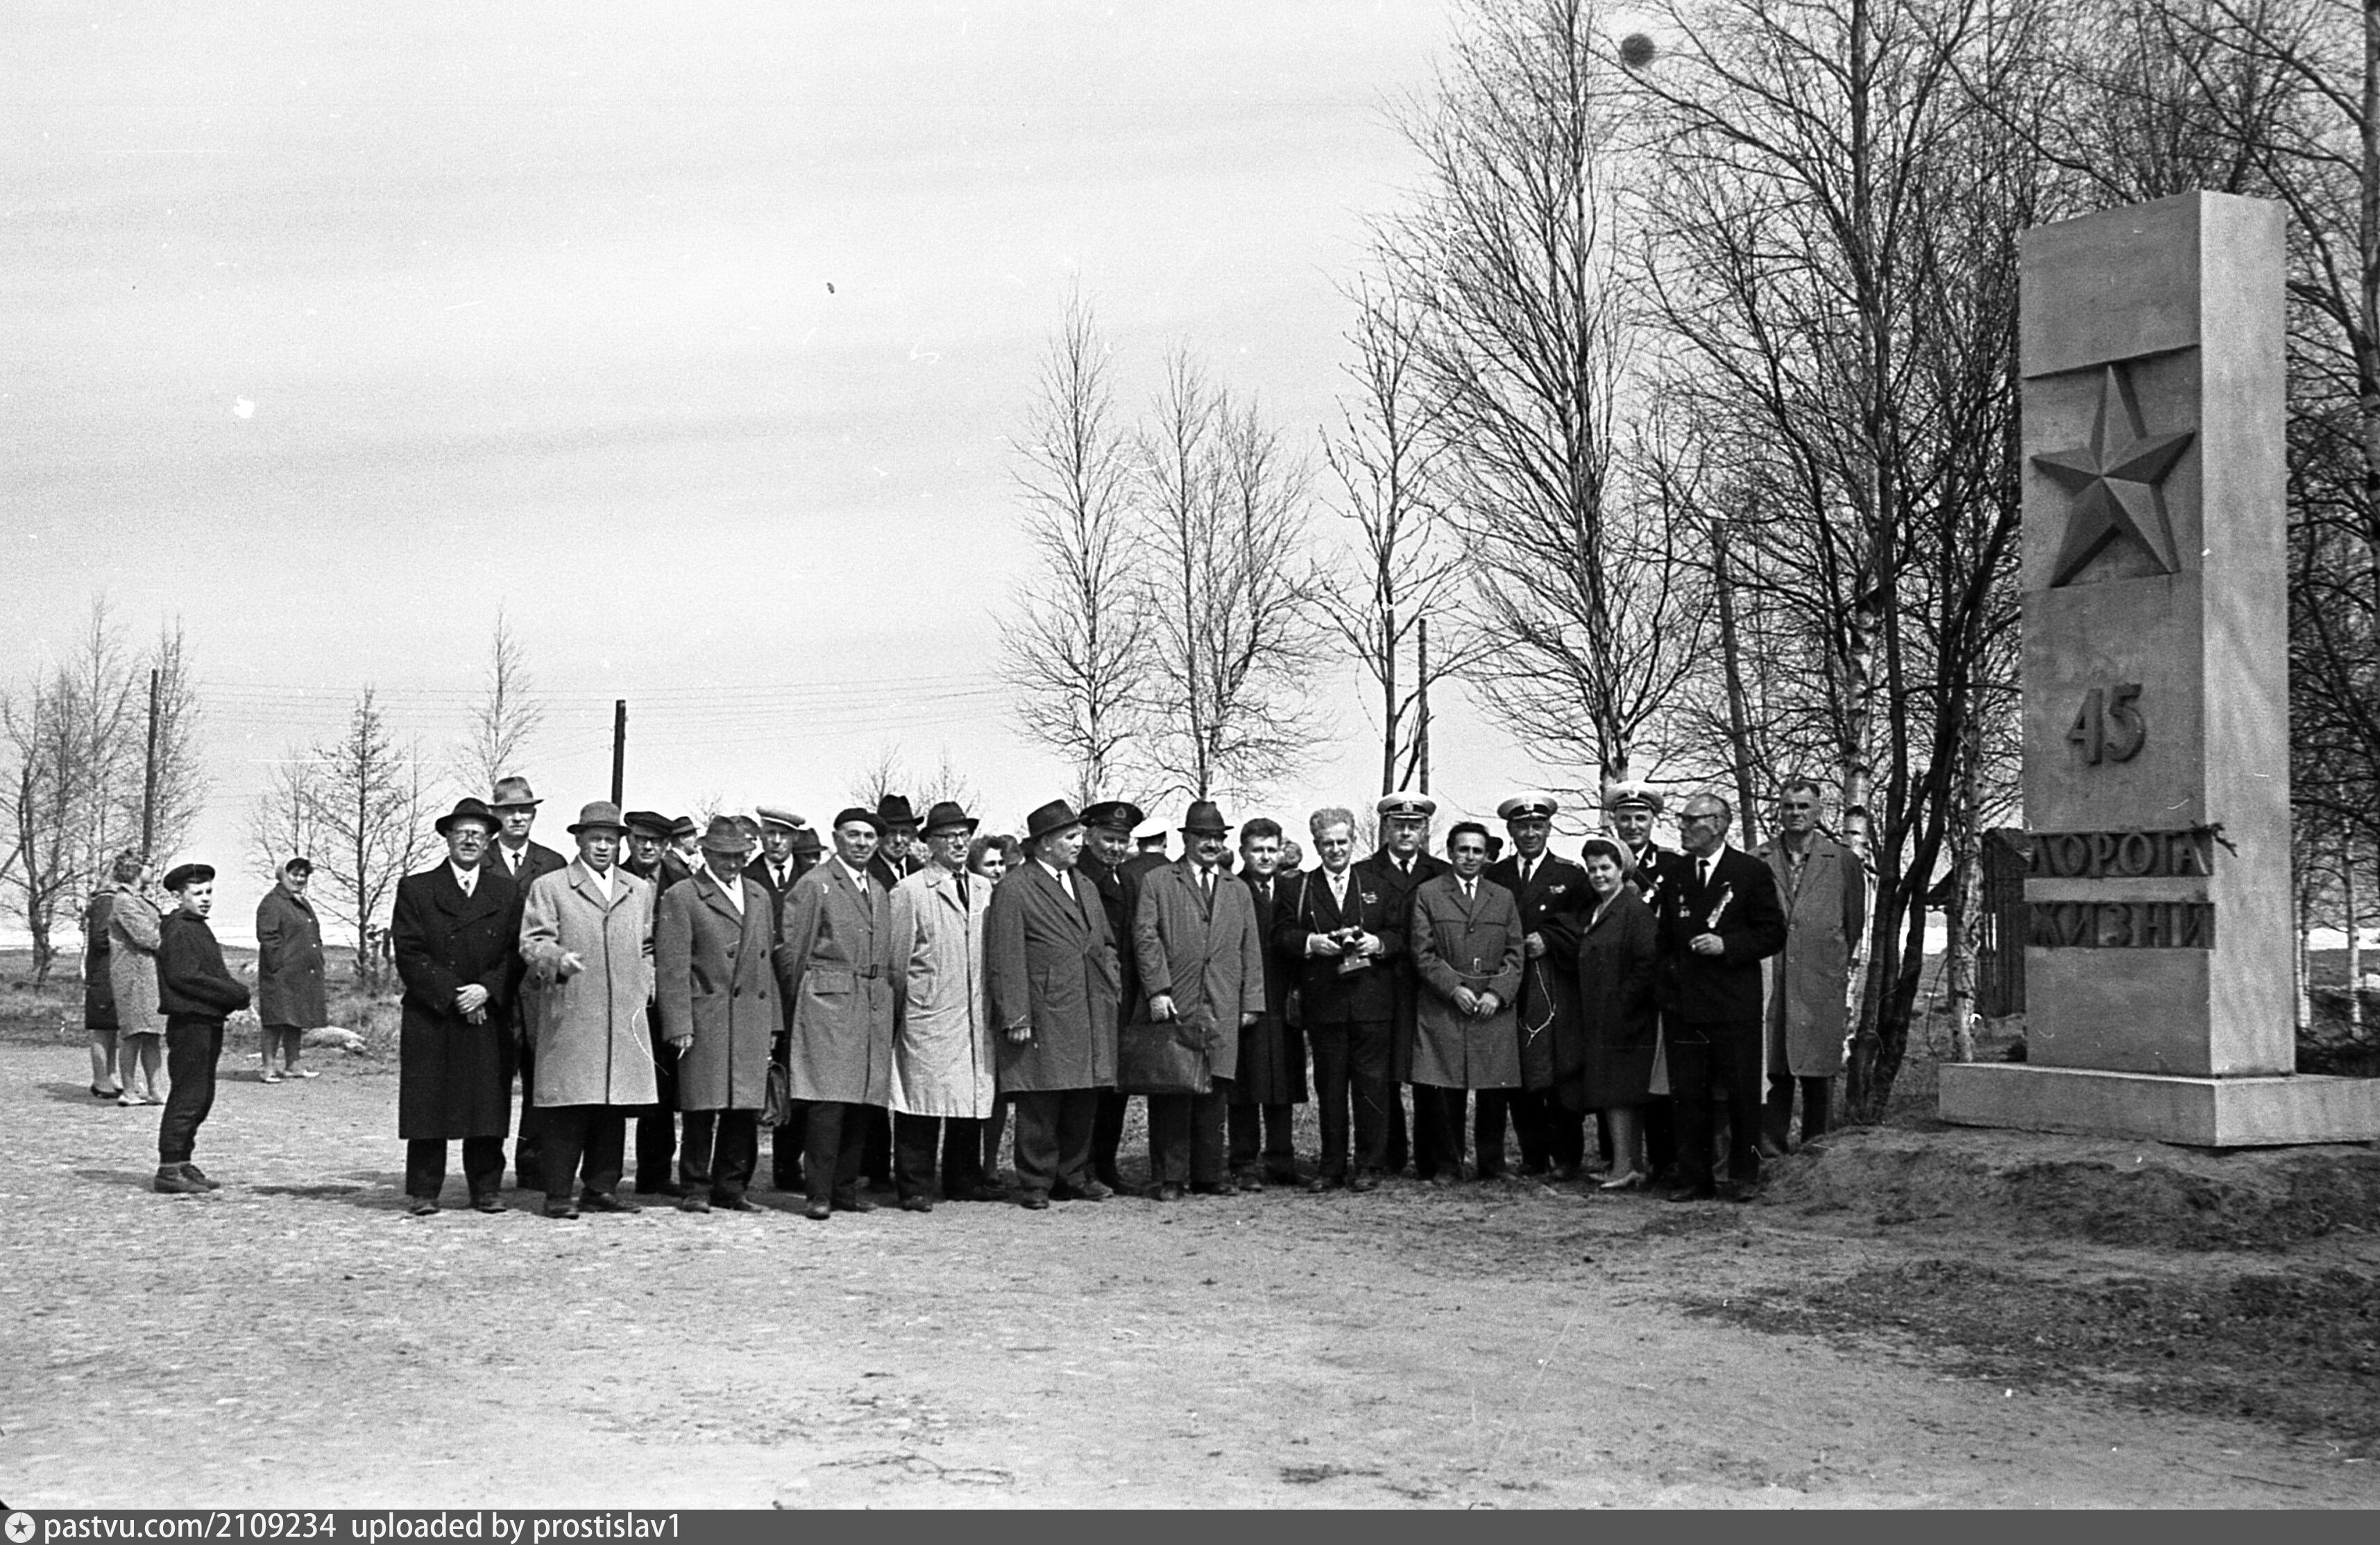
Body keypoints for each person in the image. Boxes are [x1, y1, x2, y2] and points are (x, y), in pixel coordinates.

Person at [519, 801, 658, 1219]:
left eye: (610, 840)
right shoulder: (552, 886)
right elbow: (533, 942)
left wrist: (645, 983)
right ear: (579, 840)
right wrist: (556, 959)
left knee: (613, 1104)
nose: (602, 846)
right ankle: (558, 1193)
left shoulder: (638, 890)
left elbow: (647, 946)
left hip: (623, 1016)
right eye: (595, 838)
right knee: (570, 1106)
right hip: (574, 1011)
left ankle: (601, 1188)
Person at [986, 799, 1121, 1210]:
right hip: (1045, 1010)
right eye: (1070, 837)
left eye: (1079, 836)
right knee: (1041, 1098)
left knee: (1082, 1095)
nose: (1079, 843)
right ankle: (1036, 1182)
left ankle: (1072, 1176)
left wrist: (1111, 983)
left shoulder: (1085, 885)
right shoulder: (1015, 887)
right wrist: (1016, 1015)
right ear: (1045, 843)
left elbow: (1105, 943)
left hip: (1089, 1005)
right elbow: (1006, 956)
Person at [391, 798, 523, 1215]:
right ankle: (424, 1192)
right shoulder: (416, 888)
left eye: (478, 834)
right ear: (447, 837)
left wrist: (486, 990)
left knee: (486, 1105)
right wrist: (454, 994)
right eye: (462, 832)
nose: (469, 840)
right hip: (433, 1013)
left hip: (487, 1013)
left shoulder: (506, 891)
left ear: (488, 842)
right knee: (428, 1104)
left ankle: (486, 1189)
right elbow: (409, 952)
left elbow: (515, 952)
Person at [1132, 801, 1266, 1200]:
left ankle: (1208, 1174)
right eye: (1203, 837)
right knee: (1173, 1090)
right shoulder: (1158, 881)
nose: (1211, 844)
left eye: (1217, 838)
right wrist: (1158, 990)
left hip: (1222, 1001)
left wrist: (1251, 1001)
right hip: (1178, 999)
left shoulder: (1237, 888)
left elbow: (1250, 947)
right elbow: (1146, 938)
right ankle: (1170, 1178)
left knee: (1215, 1090)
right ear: (1186, 839)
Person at [1661, 792, 1787, 1202]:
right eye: (1681, 820)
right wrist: (1669, 991)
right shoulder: (1677, 873)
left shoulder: (1750, 872)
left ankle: (1743, 1177)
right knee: (1688, 1096)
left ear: (1717, 824)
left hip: (1733, 1005)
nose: (1682, 827)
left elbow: (1773, 933)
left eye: (1690, 820)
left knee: (1742, 1096)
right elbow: (1664, 939)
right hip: (1685, 1006)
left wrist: (1727, 945)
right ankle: (1695, 1178)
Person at [774, 807, 898, 1220]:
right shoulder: (817, 883)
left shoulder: (877, 888)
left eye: (869, 837)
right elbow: (793, 953)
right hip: (827, 1003)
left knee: (861, 1101)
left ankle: (845, 1189)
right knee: (827, 1102)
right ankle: (819, 1193)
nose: (861, 843)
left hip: (870, 1004)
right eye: (853, 835)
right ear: (836, 838)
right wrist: (798, 1008)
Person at [654, 816, 776, 1213]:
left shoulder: (758, 895)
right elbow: (672, 968)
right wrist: (679, 1024)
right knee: (701, 1107)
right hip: (707, 1016)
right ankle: (695, 1187)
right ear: (705, 853)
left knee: (743, 1107)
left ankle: (732, 1187)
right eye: (724, 856)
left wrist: (774, 1023)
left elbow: (768, 966)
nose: (733, 863)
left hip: (751, 1016)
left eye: (739, 856)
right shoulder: (683, 896)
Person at [886, 801, 1002, 1211]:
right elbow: (897, 964)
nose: (957, 843)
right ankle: (914, 1185)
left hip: (975, 1011)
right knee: (920, 1100)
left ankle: (963, 1179)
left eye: (963, 836)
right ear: (929, 844)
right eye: (947, 837)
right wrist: (911, 1006)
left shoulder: (986, 890)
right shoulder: (910, 892)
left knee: (968, 1097)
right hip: (930, 1012)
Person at [1284, 807, 1402, 1192]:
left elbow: (1400, 934)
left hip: (1371, 1003)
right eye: (1327, 843)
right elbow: (1281, 934)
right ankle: (1331, 1166)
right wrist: (1311, 942)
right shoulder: (1300, 888)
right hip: (1325, 1004)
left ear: (1353, 842)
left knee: (1372, 1089)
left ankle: (1369, 1165)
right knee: (1331, 1090)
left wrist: (1378, 943)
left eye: (1342, 842)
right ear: (1316, 845)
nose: (1336, 850)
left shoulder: (1378, 885)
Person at [1753, 777, 1868, 1155]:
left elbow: (1853, 922)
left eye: (1803, 806)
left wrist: (1828, 958)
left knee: (1818, 1066)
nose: (1795, 813)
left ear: (1819, 812)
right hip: (1773, 978)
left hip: (1820, 980)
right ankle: (1771, 1148)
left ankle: (1818, 1146)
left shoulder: (1843, 861)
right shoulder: (1759, 858)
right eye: (1788, 806)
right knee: (1775, 1062)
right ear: (1779, 811)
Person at [1408, 823, 1524, 1185]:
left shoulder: (1502, 897)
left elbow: (1515, 952)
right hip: (1445, 1005)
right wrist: (1453, 988)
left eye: (1477, 851)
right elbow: (1422, 952)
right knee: (1445, 1088)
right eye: (1463, 850)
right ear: (1450, 852)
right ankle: (1448, 1164)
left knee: (1493, 1090)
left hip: (1491, 1007)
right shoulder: (1429, 893)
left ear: (1486, 855)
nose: (1470, 857)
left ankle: (1493, 1164)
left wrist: (1497, 993)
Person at [1484, 794, 1590, 1179]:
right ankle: (1533, 1156)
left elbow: (1585, 923)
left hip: (1553, 983)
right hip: (1509, 981)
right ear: (1510, 831)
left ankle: (1567, 1157)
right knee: (1519, 1071)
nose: (1530, 833)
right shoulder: (1496, 876)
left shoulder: (1571, 875)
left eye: (1537, 826)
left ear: (1548, 828)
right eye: (1522, 826)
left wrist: (1550, 938)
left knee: (1558, 1070)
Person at [1355, 794, 1450, 1177]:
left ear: (1425, 830)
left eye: (1414, 826)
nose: (1406, 833)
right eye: (1399, 826)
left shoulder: (1441, 872)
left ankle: (1433, 1160)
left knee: (1431, 1073)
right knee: (1383, 1075)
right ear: (1386, 829)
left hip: (1430, 987)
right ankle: (1388, 1155)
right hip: (1381, 983)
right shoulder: (1364, 872)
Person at [486, 775, 567, 1191]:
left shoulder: (552, 863)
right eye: (509, 811)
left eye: (525, 811)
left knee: (542, 1079)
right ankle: (486, 1172)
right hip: (493, 990)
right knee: (492, 1079)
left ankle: (533, 1166)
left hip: (539, 991)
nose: (518, 818)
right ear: (495, 815)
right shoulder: (479, 859)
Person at [151, 863, 250, 1195]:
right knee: (188, 1094)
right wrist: (234, 994)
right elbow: (186, 977)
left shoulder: (197, 927)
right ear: (178, 897)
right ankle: (169, 1167)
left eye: (208, 892)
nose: (205, 899)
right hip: (189, 1022)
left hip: (206, 1020)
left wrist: (233, 994)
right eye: (197, 893)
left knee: (202, 1095)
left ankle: (182, 1161)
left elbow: (209, 974)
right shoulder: (180, 929)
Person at [1604, 779, 1684, 1181]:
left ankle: (1663, 1159)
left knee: (1660, 1071)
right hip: (1619, 982)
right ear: (1614, 821)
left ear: (1654, 821)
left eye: (1640, 818)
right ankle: (1619, 1158)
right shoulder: (1602, 864)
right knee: (1619, 1066)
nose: (1633, 826)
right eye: (1625, 819)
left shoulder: (1671, 865)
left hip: (1661, 982)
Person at [1078, 799, 1155, 1193]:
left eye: (1122, 841)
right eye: (1109, 839)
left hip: (1121, 998)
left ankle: (1105, 1164)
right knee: (1090, 1088)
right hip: (1090, 996)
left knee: (1115, 1089)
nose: (1115, 848)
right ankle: (1084, 1167)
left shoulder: (1125, 878)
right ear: (1089, 837)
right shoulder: (1079, 878)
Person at [1575, 835, 1660, 1189]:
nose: (1598, 875)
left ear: (1622, 869)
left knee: (1622, 1092)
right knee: (1613, 1092)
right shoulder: (1599, 909)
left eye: (1605, 868)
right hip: (1602, 1015)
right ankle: (1628, 1164)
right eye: (1592, 869)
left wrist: (1623, 1005)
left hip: (1627, 1017)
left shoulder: (1634, 910)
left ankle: (1626, 1167)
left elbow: (1647, 963)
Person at [1228, 817, 1306, 1190]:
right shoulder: (1233, 889)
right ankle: (1244, 1161)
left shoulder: (1292, 891)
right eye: (1257, 850)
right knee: (1245, 1082)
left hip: (1284, 996)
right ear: (1243, 852)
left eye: (1271, 850)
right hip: (1247, 997)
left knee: (1282, 1082)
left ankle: (1281, 1159)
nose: (1265, 857)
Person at [618, 811, 684, 1198]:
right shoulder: (613, 877)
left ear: (666, 846)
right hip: (622, 994)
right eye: (640, 839)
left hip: (665, 998)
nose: (647, 847)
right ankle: (603, 1175)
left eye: (656, 842)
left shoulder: (681, 882)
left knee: (662, 1087)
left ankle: (654, 1174)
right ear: (629, 840)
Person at [255, 856, 327, 1084]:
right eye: (294, 874)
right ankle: (268, 1068)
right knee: (276, 1020)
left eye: (303, 875)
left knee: (296, 1018)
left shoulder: (301, 902)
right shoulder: (273, 902)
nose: (299, 879)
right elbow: (267, 937)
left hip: (301, 973)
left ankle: (293, 1065)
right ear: (282, 875)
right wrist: (279, 964)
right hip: (281, 973)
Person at [106, 856, 165, 1107]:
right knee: (132, 1033)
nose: (153, 869)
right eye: (148, 865)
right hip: (133, 975)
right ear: (136, 870)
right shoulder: (124, 900)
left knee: (152, 1033)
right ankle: (129, 1091)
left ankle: (155, 1090)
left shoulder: (137, 899)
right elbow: (147, 937)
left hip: (148, 974)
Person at [83, 869, 123, 1098]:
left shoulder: (105, 901)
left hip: (107, 974)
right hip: (103, 975)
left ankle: (109, 1075)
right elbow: (100, 938)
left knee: (110, 1028)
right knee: (103, 1029)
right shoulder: (106, 902)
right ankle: (101, 1079)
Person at [747, 806, 813, 916]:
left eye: (784, 834)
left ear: (796, 837)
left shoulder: (811, 875)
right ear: (761, 835)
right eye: (771, 833)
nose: (777, 841)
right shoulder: (745, 876)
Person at [867, 795, 926, 889]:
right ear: (879, 835)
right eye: (892, 833)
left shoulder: (922, 872)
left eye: (904, 833)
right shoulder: (866, 872)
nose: (898, 840)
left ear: (912, 836)